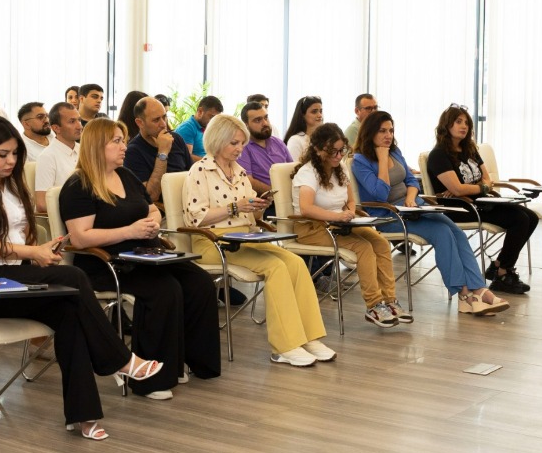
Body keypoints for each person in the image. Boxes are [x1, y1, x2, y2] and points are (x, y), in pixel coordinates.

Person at [0, 115, 160, 439]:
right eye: (2, 154)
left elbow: (16, 240)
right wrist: (34, 253)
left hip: (12, 275)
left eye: (14, 154)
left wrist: (42, 249)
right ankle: (120, 360)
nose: (10, 161)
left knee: (69, 313)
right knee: (74, 276)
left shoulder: (8, 185)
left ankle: (82, 415)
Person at [61, 118, 220, 399]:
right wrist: (129, 231)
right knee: (164, 290)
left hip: (145, 253)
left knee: (199, 282)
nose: (124, 146)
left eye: (123, 140)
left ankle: (189, 361)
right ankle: (151, 378)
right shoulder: (79, 185)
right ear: (97, 146)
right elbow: (80, 238)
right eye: (116, 141)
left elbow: (152, 208)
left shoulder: (125, 175)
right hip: (107, 263)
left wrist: (153, 223)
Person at [183, 114, 333, 368]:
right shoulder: (200, 171)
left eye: (242, 143)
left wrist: (258, 206)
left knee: (295, 263)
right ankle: (284, 346)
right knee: (275, 267)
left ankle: (309, 338)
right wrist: (235, 207)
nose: (239, 148)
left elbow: (251, 216)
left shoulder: (239, 171)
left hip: (245, 237)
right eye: (234, 143)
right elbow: (196, 218)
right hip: (213, 242)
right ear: (217, 141)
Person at [351, 111, 505, 316]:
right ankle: (464, 295)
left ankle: (478, 289)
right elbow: (380, 193)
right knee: (442, 233)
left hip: (413, 206)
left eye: (391, 130)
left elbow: (412, 181)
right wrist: (381, 158)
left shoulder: (395, 152)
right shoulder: (360, 161)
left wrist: (411, 198)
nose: (388, 135)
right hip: (388, 215)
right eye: (382, 131)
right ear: (370, 133)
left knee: (456, 232)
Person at [292, 124, 408, 328]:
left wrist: (349, 213)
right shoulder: (308, 172)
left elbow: (351, 201)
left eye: (341, 150)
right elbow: (306, 208)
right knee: (363, 247)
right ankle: (373, 305)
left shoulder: (340, 168)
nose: (338, 156)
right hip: (312, 228)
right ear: (318, 149)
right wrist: (336, 217)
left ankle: (390, 300)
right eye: (333, 152)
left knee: (380, 243)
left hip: (339, 223)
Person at [426, 106, 538, 295]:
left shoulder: (469, 150)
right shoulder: (438, 155)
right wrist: (478, 187)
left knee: (531, 217)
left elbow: (487, 180)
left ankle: (499, 265)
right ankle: (503, 273)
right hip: (460, 208)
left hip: (480, 202)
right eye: (458, 122)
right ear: (447, 125)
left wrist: (476, 187)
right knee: (520, 219)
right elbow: (458, 189)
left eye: (466, 123)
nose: (464, 126)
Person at [124, 95, 192, 206]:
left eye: (164, 117)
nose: (163, 124)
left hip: (189, 203)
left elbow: (192, 175)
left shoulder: (176, 139)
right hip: (162, 211)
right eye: (156, 120)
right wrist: (162, 153)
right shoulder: (133, 152)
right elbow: (151, 196)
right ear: (140, 123)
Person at [33, 101, 83, 213]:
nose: (79, 126)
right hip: (70, 215)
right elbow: (42, 204)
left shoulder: (84, 150)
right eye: (72, 121)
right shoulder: (47, 157)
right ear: (56, 128)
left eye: (79, 120)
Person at [237, 101, 291, 197]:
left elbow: (294, 170)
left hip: (289, 195)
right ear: (246, 125)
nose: (265, 123)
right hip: (264, 201)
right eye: (258, 120)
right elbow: (248, 181)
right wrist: (278, 194)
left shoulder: (278, 143)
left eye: (266, 118)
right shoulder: (243, 147)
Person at [174, 95, 222, 160]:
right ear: (200, 111)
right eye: (211, 117)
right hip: (200, 165)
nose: (214, 122)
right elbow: (187, 158)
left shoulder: (208, 127)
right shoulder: (187, 128)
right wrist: (211, 162)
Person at [283, 95, 324, 164]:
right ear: (302, 115)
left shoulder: (323, 138)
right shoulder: (295, 140)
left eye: (320, 111)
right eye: (314, 112)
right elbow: (293, 168)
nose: (320, 115)